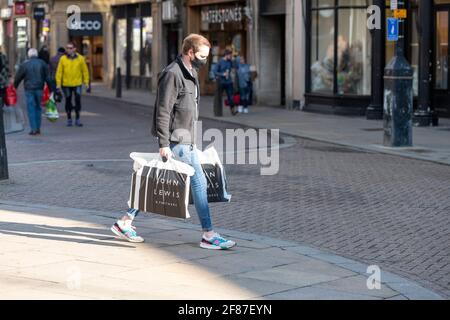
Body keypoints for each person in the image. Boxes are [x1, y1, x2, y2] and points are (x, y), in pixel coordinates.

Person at [111, 34, 237, 251]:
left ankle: (125, 221)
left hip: (185, 140)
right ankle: (208, 234)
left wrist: (192, 141)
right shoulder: (172, 74)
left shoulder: (191, 72)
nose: (204, 60)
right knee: (199, 183)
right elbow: (163, 111)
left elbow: (187, 110)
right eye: (202, 56)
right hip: (175, 140)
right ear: (190, 52)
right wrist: (164, 143)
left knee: (158, 182)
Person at [14, 48, 54, 136]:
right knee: (38, 108)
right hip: (39, 88)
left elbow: (18, 77)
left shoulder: (25, 64)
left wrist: (14, 87)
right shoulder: (42, 63)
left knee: (31, 108)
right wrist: (51, 89)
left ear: (29, 55)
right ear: (36, 55)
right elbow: (48, 78)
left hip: (29, 89)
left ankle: (33, 129)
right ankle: (38, 128)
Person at [55, 42, 90, 127]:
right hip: (66, 84)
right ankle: (69, 118)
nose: (68, 50)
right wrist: (58, 84)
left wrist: (86, 82)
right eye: (67, 48)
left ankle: (77, 119)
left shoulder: (81, 58)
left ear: (75, 49)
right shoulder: (63, 59)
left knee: (78, 100)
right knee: (68, 101)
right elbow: (59, 72)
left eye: (70, 48)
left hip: (77, 83)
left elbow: (85, 71)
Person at [214, 49, 238, 117]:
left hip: (229, 82)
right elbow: (215, 72)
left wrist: (234, 60)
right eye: (230, 55)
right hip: (221, 82)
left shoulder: (230, 61)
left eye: (231, 56)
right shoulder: (220, 62)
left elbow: (236, 67)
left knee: (231, 97)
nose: (231, 57)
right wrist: (222, 74)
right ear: (226, 55)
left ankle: (232, 111)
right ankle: (217, 112)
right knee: (218, 97)